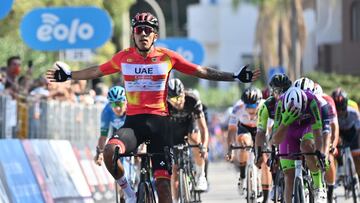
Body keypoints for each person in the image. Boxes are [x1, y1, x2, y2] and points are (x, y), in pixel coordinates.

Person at [46, 12, 260, 203]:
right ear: (133, 34)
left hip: (160, 124)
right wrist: (68, 75)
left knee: (164, 187)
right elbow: (96, 72)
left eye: (149, 30)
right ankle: (129, 194)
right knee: (111, 152)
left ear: (155, 36)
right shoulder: (123, 57)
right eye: (139, 30)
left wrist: (234, 76)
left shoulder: (167, 57)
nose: (144, 34)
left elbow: (200, 71)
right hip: (134, 124)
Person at [270, 87, 326, 203]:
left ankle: (318, 186)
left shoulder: (312, 101)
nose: (298, 115)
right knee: (288, 175)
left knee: (306, 147)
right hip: (288, 129)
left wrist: (319, 152)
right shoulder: (280, 104)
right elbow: (275, 140)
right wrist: (284, 122)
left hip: (307, 127)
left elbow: (317, 131)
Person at [166, 78, 209, 202]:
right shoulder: (164, 104)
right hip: (173, 129)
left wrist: (204, 147)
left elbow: (203, 128)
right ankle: (176, 200)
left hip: (190, 125)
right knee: (174, 170)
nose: (178, 102)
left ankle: (201, 175)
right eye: (173, 100)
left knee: (195, 140)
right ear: (168, 99)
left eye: (179, 97)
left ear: (184, 93)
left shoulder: (193, 100)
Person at [255, 73, 292, 202]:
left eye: (284, 90)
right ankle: (277, 184)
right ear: (272, 91)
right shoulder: (267, 105)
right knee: (273, 155)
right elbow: (260, 132)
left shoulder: (294, 100)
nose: (280, 94)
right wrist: (258, 153)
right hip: (277, 132)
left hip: (293, 130)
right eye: (277, 91)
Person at [225, 86, 263, 196]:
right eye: (248, 106)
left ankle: (261, 180)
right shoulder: (238, 107)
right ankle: (242, 176)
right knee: (244, 144)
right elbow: (231, 130)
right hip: (244, 127)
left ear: (259, 103)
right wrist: (230, 149)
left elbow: (270, 129)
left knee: (263, 153)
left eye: (253, 106)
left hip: (259, 128)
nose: (251, 109)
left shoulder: (264, 106)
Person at [94, 86, 127, 166]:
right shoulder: (106, 111)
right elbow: (103, 136)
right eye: (113, 104)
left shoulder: (132, 107)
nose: (117, 108)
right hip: (118, 132)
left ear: (126, 101)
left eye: (119, 103)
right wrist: (100, 152)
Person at [331, 88, 360, 177]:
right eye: (337, 110)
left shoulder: (353, 112)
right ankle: (340, 165)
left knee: (356, 156)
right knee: (336, 144)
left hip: (352, 130)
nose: (339, 112)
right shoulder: (331, 112)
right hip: (339, 130)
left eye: (341, 110)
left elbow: (358, 129)